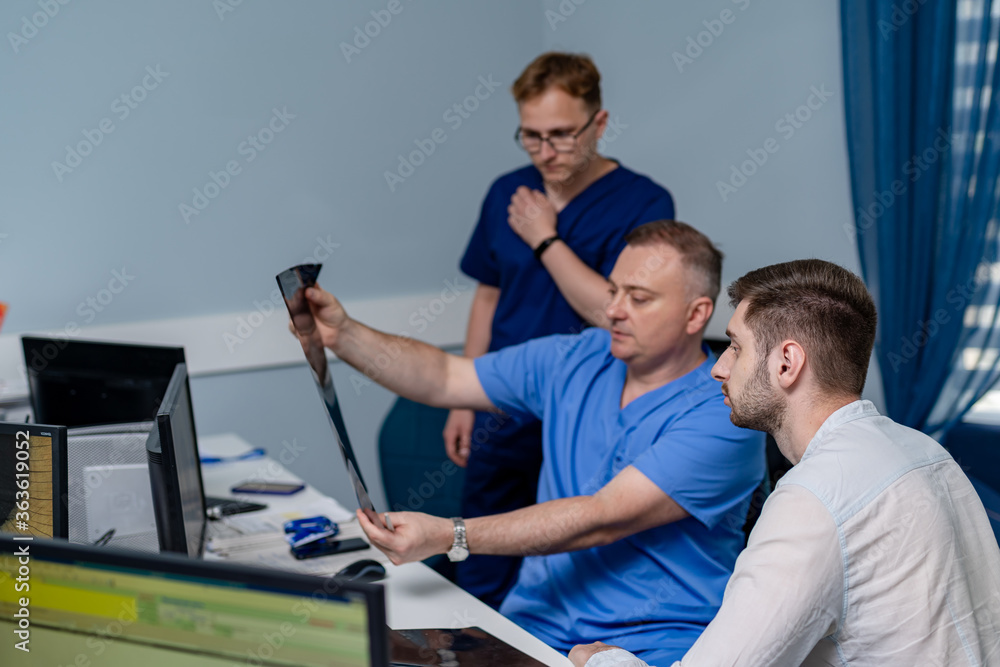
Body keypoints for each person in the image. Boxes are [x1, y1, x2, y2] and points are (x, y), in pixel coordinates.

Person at [292, 221, 764, 664]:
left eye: (639, 298)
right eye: (613, 291)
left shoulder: (724, 411)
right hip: (532, 627)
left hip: (648, 644)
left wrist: (451, 535)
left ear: (695, 314)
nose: (615, 309)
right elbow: (444, 377)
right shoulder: (581, 356)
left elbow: (600, 518)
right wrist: (343, 334)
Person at [570, 259, 1000, 667]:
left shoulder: (813, 498)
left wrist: (601, 659)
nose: (718, 368)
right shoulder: (922, 449)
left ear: (787, 363)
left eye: (736, 347)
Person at [446, 52, 675, 608]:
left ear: (598, 124)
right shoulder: (508, 191)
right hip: (503, 402)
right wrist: (463, 399)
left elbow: (613, 310)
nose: (545, 152)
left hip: (589, 410)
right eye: (531, 137)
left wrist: (545, 239)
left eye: (561, 135)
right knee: (479, 554)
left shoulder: (645, 203)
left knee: (573, 561)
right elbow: (488, 294)